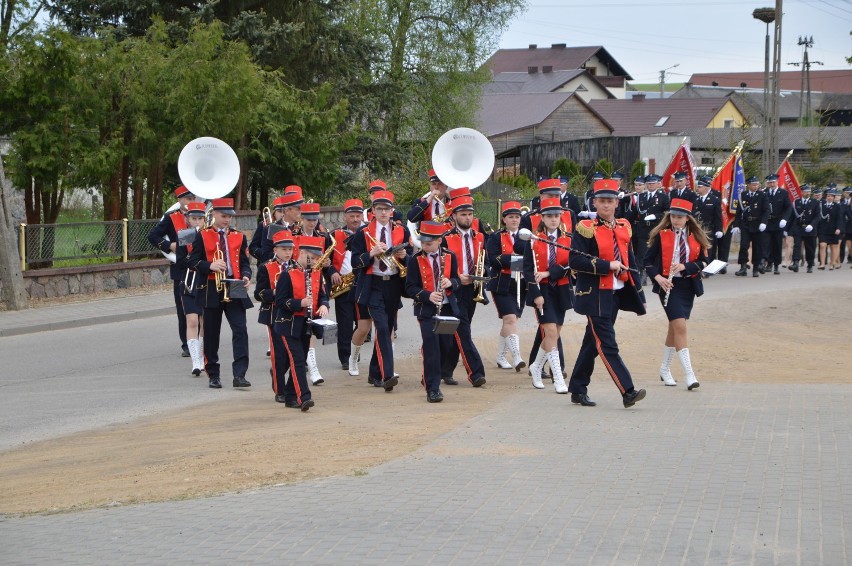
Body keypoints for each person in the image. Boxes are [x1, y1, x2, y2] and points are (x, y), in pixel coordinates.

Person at [567, 179, 647, 409]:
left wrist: (638, 291)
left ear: (616, 203)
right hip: (594, 294)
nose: (606, 205)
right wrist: (606, 265)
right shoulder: (586, 228)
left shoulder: (624, 226)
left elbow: (628, 258)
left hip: (616, 292)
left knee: (592, 343)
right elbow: (575, 259)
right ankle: (627, 391)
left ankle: (577, 388)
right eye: (601, 201)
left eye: (610, 201)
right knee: (607, 344)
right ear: (594, 203)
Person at [644, 199, 710, 390]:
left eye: (680, 217)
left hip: (687, 286)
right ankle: (689, 374)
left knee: (675, 328)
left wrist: (685, 266)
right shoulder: (662, 235)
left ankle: (664, 369)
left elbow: (704, 262)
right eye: (673, 216)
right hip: (668, 286)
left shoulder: (696, 237)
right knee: (680, 326)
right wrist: (658, 278)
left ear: (687, 218)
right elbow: (647, 261)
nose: (676, 220)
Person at [348, 190, 410, 391]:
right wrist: (370, 254)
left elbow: (411, 260)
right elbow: (355, 262)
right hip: (372, 283)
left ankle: (374, 372)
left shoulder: (401, 231)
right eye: (379, 209)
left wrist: (403, 256)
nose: (383, 212)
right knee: (382, 328)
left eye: (387, 209)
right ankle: (387, 374)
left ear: (392, 211)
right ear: (373, 211)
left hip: (392, 283)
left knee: (387, 328)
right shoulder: (363, 232)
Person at [187, 198, 253, 389]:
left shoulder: (239, 236)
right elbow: (192, 262)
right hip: (211, 286)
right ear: (214, 214)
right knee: (212, 333)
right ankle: (213, 374)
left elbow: (244, 263)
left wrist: (247, 276)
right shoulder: (202, 235)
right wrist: (210, 265)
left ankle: (240, 374)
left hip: (235, 284)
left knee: (241, 330)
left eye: (229, 217)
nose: (227, 220)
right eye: (223, 216)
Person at [405, 221, 461, 403]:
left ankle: (431, 375)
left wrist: (451, 282)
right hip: (426, 310)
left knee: (447, 346)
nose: (425, 246)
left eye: (429, 243)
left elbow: (457, 279)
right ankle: (433, 388)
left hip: (446, 308)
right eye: (423, 242)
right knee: (432, 349)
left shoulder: (450, 256)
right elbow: (410, 288)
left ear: (439, 240)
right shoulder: (415, 260)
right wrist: (427, 295)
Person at [273, 235, 329, 411]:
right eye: (311, 258)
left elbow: (323, 295)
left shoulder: (317, 274)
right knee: (297, 360)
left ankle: (290, 396)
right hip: (288, 324)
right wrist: (300, 303)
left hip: (307, 324)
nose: (313, 262)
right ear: (302, 253)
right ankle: (303, 396)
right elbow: (280, 301)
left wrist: (324, 305)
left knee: (300, 358)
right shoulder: (287, 275)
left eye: (316, 259)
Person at [524, 197, 574, 393]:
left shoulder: (568, 239)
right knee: (551, 333)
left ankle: (536, 367)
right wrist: (535, 293)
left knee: (555, 333)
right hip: (542, 291)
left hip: (561, 289)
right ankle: (558, 379)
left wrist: (549, 272)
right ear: (542, 218)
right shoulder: (533, 240)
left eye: (556, 216)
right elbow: (528, 270)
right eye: (549, 216)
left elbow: (571, 265)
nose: (553, 219)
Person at [439, 196, 487, 387]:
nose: (467, 218)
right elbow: (442, 268)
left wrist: (483, 272)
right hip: (454, 290)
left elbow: (486, 260)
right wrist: (458, 279)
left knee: (456, 333)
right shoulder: (446, 239)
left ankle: (445, 370)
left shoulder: (480, 236)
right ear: (454, 217)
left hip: (473, 289)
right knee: (463, 331)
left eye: (470, 214)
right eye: (463, 215)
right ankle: (476, 373)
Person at [147, 185, 195, 357]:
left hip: (199, 266)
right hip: (180, 268)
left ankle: (200, 341)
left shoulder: (201, 216)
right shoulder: (170, 218)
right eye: (188, 198)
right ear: (179, 200)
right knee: (183, 307)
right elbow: (152, 236)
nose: (191, 201)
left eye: (192, 198)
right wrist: (169, 245)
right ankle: (187, 344)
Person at [293, 201, 335, 385]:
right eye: (308, 219)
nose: (312, 223)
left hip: (316, 282)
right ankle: (293, 368)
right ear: (301, 218)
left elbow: (326, 260)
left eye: (315, 219)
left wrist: (328, 266)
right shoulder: (292, 235)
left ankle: (313, 368)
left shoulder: (323, 236)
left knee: (309, 328)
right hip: (295, 281)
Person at [486, 201, 527, 371]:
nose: (515, 220)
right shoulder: (496, 237)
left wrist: (510, 259)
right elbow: (493, 259)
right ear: (504, 219)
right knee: (509, 318)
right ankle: (517, 356)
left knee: (510, 321)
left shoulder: (526, 236)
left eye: (517, 217)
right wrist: (516, 259)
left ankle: (501, 356)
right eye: (511, 217)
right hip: (501, 282)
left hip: (521, 282)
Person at [329, 199, 365, 369]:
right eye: (352, 216)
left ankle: (356, 354)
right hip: (342, 283)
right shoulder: (334, 235)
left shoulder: (367, 233)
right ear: (345, 217)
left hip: (362, 282)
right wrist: (333, 273)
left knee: (362, 323)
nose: (356, 219)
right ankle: (345, 357)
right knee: (344, 323)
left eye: (358, 215)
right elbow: (326, 259)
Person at [175, 202, 208, 376]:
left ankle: (201, 357)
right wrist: (193, 259)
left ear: (204, 219)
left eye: (200, 219)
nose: (197, 222)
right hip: (189, 281)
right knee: (192, 321)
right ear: (188, 219)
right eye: (193, 218)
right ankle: (195, 361)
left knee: (204, 322)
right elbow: (180, 262)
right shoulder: (184, 235)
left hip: (204, 281)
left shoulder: (208, 234)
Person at [633, 174, 669, 285]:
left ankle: (655, 275)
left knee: (656, 252)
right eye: (648, 183)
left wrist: (656, 216)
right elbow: (636, 212)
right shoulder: (641, 196)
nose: (650, 185)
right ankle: (642, 273)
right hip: (643, 228)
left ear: (657, 184)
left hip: (656, 227)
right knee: (642, 253)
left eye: (652, 183)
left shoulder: (663, 197)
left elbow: (667, 212)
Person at [733, 177, 769, 277]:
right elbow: (739, 211)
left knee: (757, 247)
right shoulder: (743, 195)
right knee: (744, 246)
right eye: (753, 184)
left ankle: (756, 268)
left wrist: (764, 222)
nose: (755, 186)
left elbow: (766, 210)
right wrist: (736, 225)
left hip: (758, 224)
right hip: (746, 224)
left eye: (757, 184)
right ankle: (743, 267)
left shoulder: (762, 195)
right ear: (748, 185)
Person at [761, 174, 792, 275]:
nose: (772, 184)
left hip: (778, 222)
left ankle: (776, 265)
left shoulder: (783, 193)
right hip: (767, 222)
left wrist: (785, 219)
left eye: (773, 182)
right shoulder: (764, 193)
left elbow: (788, 207)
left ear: (777, 182)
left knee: (777, 244)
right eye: (770, 182)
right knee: (766, 243)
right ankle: (767, 262)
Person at [692, 176, 724, 263]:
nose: (697, 189)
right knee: (697, 248)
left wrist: (719, 229)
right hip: (697, 228)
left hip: (709, 228)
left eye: (699, 187)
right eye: (697, 187)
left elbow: (718, 216)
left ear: (706, 188)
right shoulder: (695, 199)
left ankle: (707, 267)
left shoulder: (714, 200)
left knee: (708, 249)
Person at [789, 184, 820, 273]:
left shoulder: (815, 202)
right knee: (797, 245)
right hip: (799, 227)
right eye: (806, 191)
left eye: (809, 191)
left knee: (810, 247)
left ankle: (810, 264)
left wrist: (812, 225)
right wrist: (789, 229)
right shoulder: (796, 202)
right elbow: (793, 216)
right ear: (801, 192)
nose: (808, 193)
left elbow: (817, 216)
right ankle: (795, 263)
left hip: (810, 228)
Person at [249, 195, 288, 263]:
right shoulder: (265, 225)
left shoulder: (292, 227)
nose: (282, 215)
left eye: (284, 212)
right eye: (279, 211)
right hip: (267, 265)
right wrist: (265, 254)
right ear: (274, 213)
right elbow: (252, 247)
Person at [817, 187, 845, 270]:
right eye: (828, 196)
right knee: (822, 245)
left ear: (834, 197)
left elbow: (839, 218)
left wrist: (838, 228)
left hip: (833, 230)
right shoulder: (821, 205)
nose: (829, 197)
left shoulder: (837, 206)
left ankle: (832, 264)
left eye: (831, 196)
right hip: (823, 229)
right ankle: (822, 264)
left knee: (833, 247)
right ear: (826, 197)